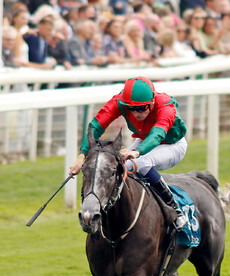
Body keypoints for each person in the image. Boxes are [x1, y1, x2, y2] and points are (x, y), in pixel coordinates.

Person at [69, 77, 187, 230]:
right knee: (118, 166)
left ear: (151, 103)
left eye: (141, 109)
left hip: (172, 145)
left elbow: (157, 134)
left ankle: (175, 210)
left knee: (142, 164)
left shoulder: (166, 106)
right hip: (143, 140)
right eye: (130, 109)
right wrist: (82, 156)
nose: (136, 113)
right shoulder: (119, 102)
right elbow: (96, 125)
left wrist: (136, 152)